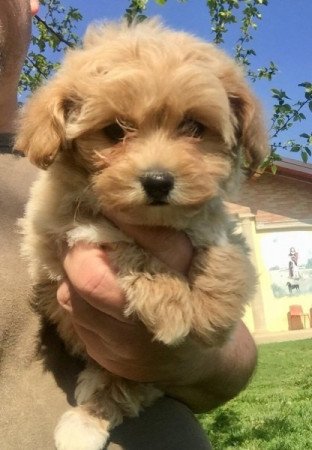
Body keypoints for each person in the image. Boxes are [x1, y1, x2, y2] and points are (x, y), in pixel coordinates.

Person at [0, 1, 257, 448]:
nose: (156, 165)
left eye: (193, 127)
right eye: (116, 133)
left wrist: (197, 361)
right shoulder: (58, 191)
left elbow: (226, 353)